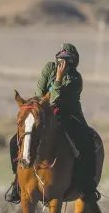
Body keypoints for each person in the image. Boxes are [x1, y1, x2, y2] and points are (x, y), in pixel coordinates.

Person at [7, 43, 101, 204]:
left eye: (67, 60)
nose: (62, 64)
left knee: (87, 142)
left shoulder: (75, 78)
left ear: (73, 62)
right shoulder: (48, 68)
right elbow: (39, 93)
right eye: (60, 59)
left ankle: (87, 185)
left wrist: (58, 79)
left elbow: (56, 99)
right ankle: (17, 182)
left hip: (69, 116)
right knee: (14, 142)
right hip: (45, 114)